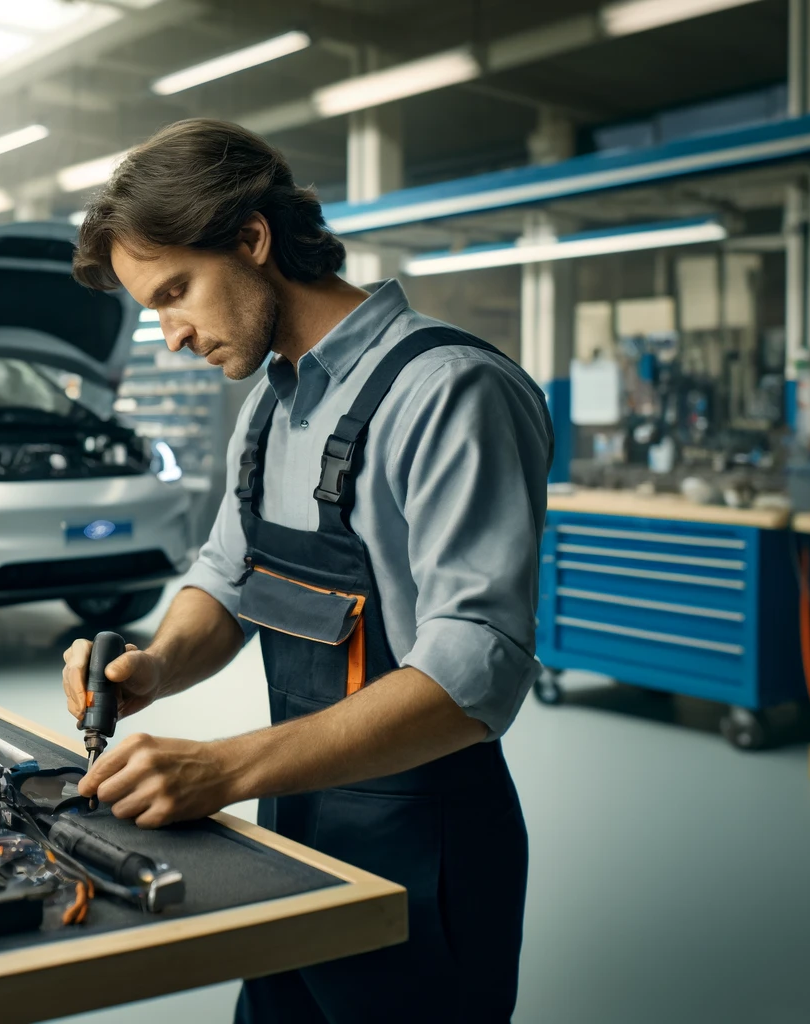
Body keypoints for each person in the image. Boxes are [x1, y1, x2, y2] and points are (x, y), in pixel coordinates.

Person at [61, 118, 553, 1023]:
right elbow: (227, 579)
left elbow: (475, 670)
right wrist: (155, 667)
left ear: (252, 240)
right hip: (291, 824)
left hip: (426, 844)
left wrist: (224, 769)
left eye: (177, 292)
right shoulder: (269, 408)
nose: (171, 334)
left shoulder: (448, 392)